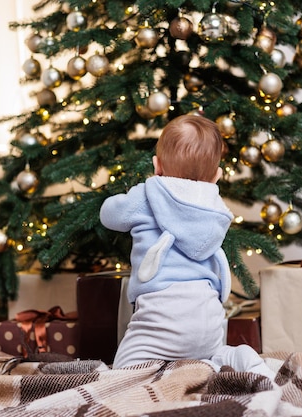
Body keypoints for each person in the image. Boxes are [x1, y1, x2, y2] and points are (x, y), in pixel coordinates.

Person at [100, 114, 274, 379]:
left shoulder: (147, 193)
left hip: (161, 315)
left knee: (123, 370)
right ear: (216, 176)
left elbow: (109, 216)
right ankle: (236, 356)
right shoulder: (215, 206)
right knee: (210, 356)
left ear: (157, 166)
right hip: (208, 313)